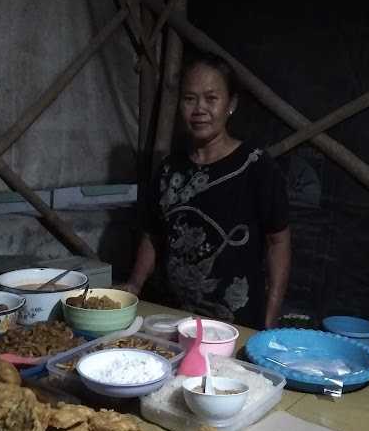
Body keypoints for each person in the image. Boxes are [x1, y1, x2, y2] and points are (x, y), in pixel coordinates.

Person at [124, 52, 291, 330]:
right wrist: (134, 284)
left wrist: (269, 321)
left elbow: (279, 243)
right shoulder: (169, 169)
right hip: (172, 319)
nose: (199, 108)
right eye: (190, 99)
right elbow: (152, 234)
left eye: (211, 99)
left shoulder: (256, 166)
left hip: (235, 324)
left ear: (231, 104)